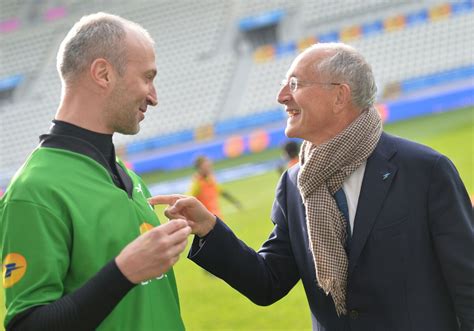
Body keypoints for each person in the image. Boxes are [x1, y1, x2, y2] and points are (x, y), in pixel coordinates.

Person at [151, 43, 474, 331]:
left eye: (295, 84)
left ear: (339, 95)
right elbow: (268, 282)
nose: (281, 97)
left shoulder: (424, 169)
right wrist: (209, 229)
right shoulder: (294, 184)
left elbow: (467, 281)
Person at [0, 13, 191, 330]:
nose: (154, 97)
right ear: (103, 73)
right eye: (147, 77)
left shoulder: (129, 178)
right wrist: (123, 272)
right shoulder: (34, 191)